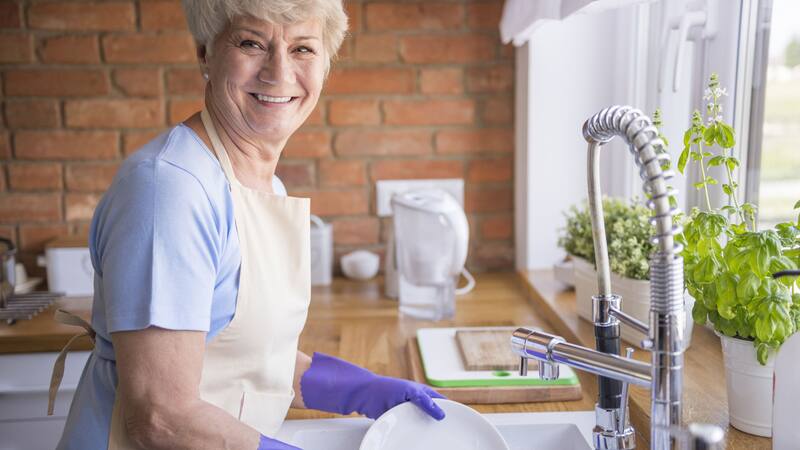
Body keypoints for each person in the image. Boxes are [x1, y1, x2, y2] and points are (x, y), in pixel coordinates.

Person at [49, 1, 444, 449]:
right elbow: (160, 418)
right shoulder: (170, 192)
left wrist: (364, 389)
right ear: (206, 53)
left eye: (303, 49)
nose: (278, 72)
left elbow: (251, 358)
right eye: (251, 43)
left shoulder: (258, 181)